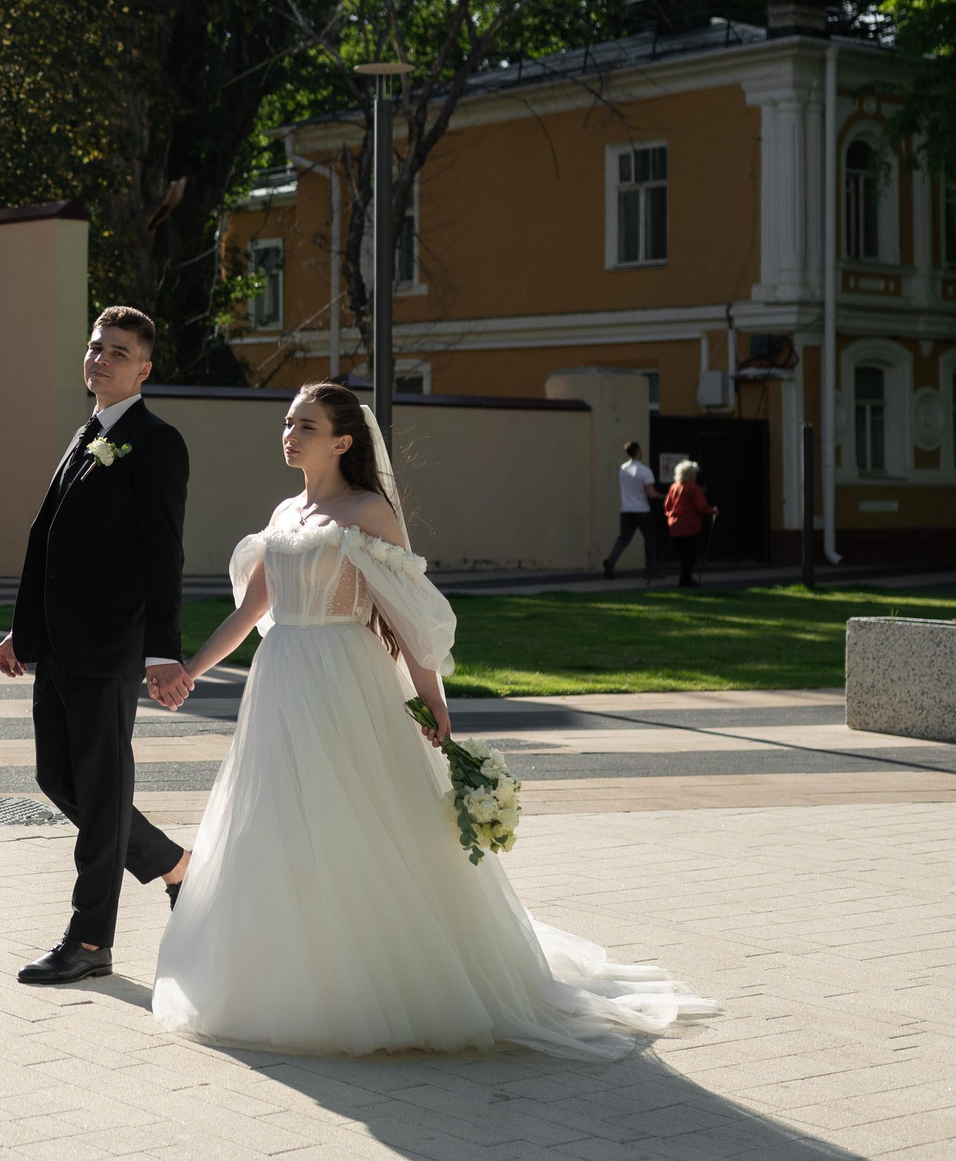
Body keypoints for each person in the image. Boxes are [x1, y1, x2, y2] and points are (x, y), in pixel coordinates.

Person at [149, 381, 715, 1057]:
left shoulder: (368, 511)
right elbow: (249, 615)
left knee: (357, 817)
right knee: (278, 814)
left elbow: (406, 616)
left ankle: (379, 980)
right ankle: (282, 973)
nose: (290, 432)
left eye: (305, 423)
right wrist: (190, 668)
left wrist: (434, 702)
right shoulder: (284, 512)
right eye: (288, 421)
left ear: (343, 439)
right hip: (281, 679)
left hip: (345, 679)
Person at [0, 306, 193, 987]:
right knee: (60, 779)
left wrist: (162, 651)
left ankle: (89, 941)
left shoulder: (154, 440)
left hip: (108, 650)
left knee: (102, 794)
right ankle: (173, 864)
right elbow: (48, 542)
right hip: (57, 649)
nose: (100, 357)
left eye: (117, 350)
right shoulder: (88, 435)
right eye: (94, 346)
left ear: (144, 368)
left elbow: (162, 555)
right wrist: (24, 631)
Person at [603, 440, 661, 580]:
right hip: (642, 510)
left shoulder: (623, 469)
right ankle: (651, 570)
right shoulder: (645, 470)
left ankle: (611, 561)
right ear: (638, 452)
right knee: (650, 539)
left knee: (624, 538)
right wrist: (666, 496)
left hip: (626, 509)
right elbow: (651, 493)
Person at [664, 459, 716, 588]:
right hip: (690, 526)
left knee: (683, 554)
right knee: (689, 554)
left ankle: (684, 577)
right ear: (691, 475)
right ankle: (686, 578)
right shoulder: (693, 488)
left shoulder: (674, 487)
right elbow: (701, 506)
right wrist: (712, 511)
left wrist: (672, 516)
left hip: (675, 526)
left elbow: (667, 506)